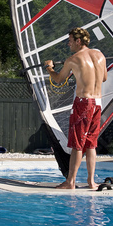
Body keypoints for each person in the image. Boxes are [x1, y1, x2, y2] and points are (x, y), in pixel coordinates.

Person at [45, 27, 107, 189]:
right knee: (91, 144)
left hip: (83, 104)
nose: (68, 44)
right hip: (98, 103)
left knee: (77, 144)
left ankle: (70, 181)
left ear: (78, 41)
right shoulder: (100, 56)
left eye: (70, 41)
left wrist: (49, 68)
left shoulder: (73, 59)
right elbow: (104, 78)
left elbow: (58, 79)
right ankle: (91, 181)